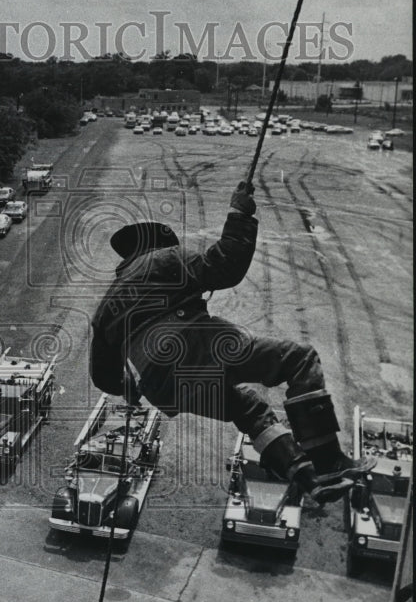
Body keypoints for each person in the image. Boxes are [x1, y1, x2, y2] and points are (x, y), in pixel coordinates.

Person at [89, 181, 374, 508]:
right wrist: (240, 212)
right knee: (299, 359)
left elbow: (104, 378)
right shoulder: (163, 259)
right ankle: (327, 462)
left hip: (161, 388)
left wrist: (129, 386)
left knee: (249, 409)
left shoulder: (105, 305)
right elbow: (227, 264)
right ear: (157, 243)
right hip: (192, 347)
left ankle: (307, 478)